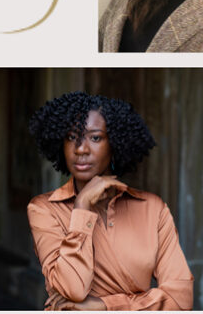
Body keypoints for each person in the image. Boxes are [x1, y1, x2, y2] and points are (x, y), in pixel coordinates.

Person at [27, 91, 193, 311]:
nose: (80, 149)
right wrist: (82, 207)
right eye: (70, 137)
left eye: (95, 138)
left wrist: (104, 306)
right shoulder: (43, 209)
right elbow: (72, 289)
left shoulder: (153, 209)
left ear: (115, 143)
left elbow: (180, 300)